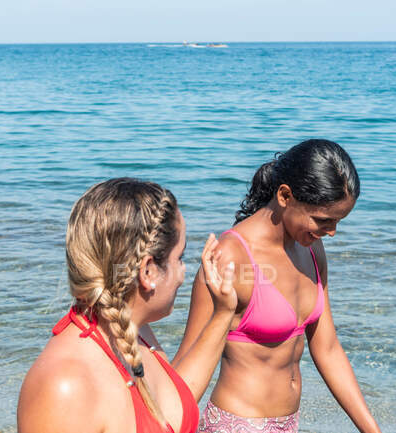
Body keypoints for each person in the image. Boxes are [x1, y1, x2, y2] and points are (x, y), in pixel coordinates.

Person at [175, 139, 382, 433]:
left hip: (288, 424)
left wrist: (372, 429)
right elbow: (188, 364)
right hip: (237, 425)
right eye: (324, 220)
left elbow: (328, 349)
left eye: (338, 222)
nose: (332, 232)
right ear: (285, 195)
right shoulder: (231, 257)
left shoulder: (312, 249)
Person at [18, 178, 238, 433]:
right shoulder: (65, 387)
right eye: (180, 258)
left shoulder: (134, 329)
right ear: (147, 271)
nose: (183, 272)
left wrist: (223, 313)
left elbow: (173, 404)